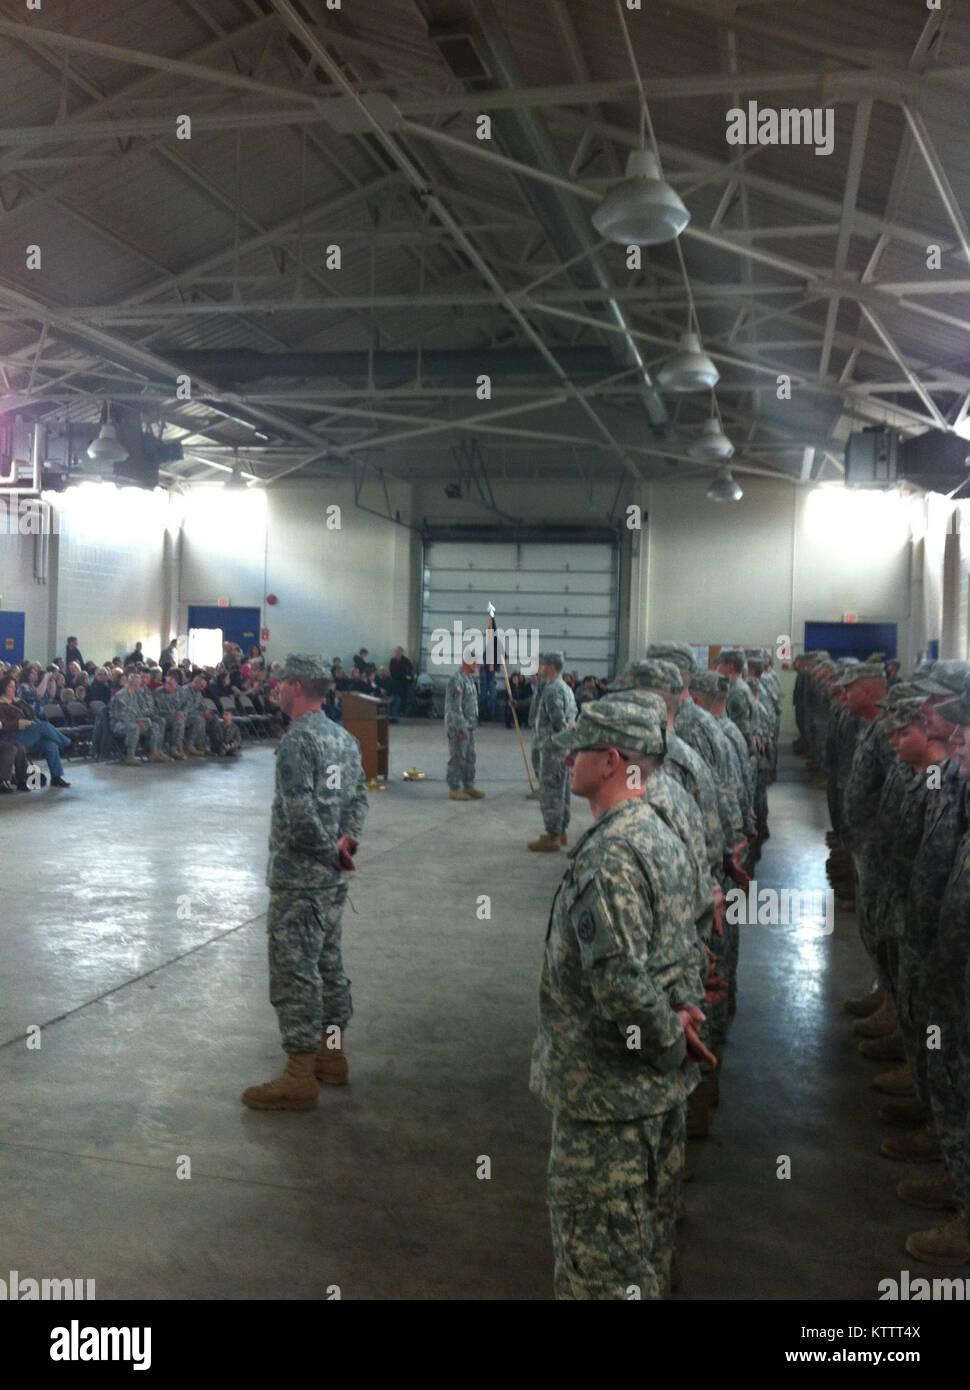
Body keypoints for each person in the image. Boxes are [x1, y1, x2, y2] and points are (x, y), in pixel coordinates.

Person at [530, 697, 710, 1299]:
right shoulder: (660, 833)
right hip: (654, 1097)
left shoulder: (610, 856)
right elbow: (686, 948)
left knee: (600, 1272)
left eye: (579, 749)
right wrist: (681, 1017)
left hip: (607, 1102)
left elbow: (621, 986)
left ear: (611, 762)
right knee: (645, 1254)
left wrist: (663, 1039)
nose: (567, 759)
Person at [242, 656, 367, 1110]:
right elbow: (358, 799)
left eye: (280, 684)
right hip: (333, 883)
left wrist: (328, 851)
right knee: (329, 965)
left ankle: (299, 1073)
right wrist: (346, 844)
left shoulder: (298, 742)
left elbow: (298, 818)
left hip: (300, 881)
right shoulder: (344, 738)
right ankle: (331, 1054)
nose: (275, 689)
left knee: (296, 973)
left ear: (296, 687)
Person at [528, 652, 578, 852]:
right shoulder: (565, 687)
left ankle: (553, 835)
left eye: (542, 664)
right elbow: (571, 717)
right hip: (562, 747)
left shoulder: (551, 690)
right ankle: (561, 830)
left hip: (551, 748)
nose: (540, 667)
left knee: (550, 792)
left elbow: (558, 721)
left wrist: (560, 733)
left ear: (550, 666)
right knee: (562, 789)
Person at [0, 675, 71, 786]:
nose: (14, 689)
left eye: (14, 686)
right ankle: (67, 744)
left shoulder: (17, 702)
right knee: (44, 726)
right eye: (11, 687)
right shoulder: (1, 705)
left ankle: (56, 777)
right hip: (12, 736)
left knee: (50, 743)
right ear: (4, 688)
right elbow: (2, 725)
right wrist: (18, 724)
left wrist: (21, 703)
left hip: (28, 734)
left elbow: (32, 715)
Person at [444, 658, 483, 801]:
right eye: (475, 662)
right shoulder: (457, 680)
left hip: (469, 725)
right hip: (459, 726)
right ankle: (454, 788)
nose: (478, 665)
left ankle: (468, 785)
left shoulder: (469, 679)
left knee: (470, 756)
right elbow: (455, 707)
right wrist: (462, 727)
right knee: (458, 756)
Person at [154, 673, 187, 759]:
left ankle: (176, 747)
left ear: (176, 685)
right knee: (178, 721)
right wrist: (176, 713)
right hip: (163, 716)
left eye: (170, 684)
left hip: (177, 716)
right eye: (166, 683)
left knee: (181, 720)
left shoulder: (181, 691)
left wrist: (182, 712)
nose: (166, 686)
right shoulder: (159, 692)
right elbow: (159, 709)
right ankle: (169, 749)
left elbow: (186, 705)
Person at [389, 646, 414, 720]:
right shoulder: (393, 660)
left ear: (401, 652)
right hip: (395, 681)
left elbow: (411, 668)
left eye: (399, 652)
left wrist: (406, 675)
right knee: (396, 696)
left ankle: (402, 711)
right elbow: (391, 670)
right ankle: (395, 712)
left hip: (403, 682)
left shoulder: (406, 660)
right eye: (396, 651)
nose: (398, 653)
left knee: (403, 697)